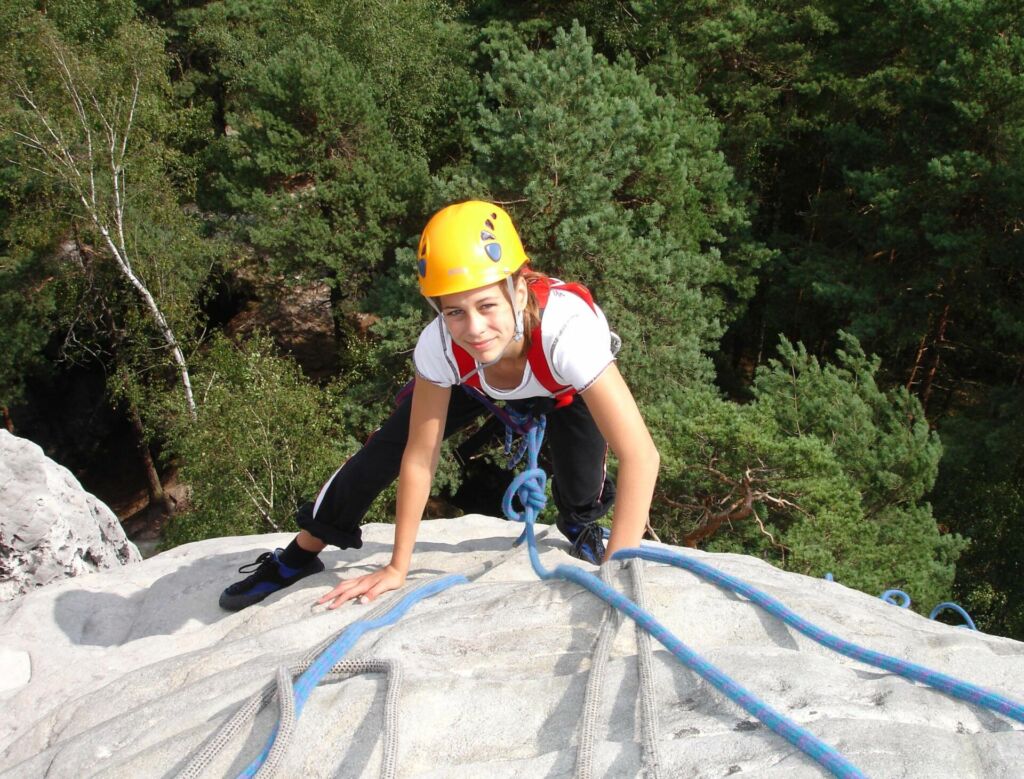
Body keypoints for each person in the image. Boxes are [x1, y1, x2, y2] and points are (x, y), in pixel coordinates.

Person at [220, 201, 660, 611]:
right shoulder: (443, 346)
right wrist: (397, 567)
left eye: (488, 305)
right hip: (477, 381)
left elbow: (640, 454)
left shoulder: (569, 334)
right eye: (453, 312)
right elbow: (419, 455)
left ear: (520, 293)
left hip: (561, 383)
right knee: (384, 449)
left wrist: (617, 571)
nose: (473, 327)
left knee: (582, 480)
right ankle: (301, 552)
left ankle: (582, 526)